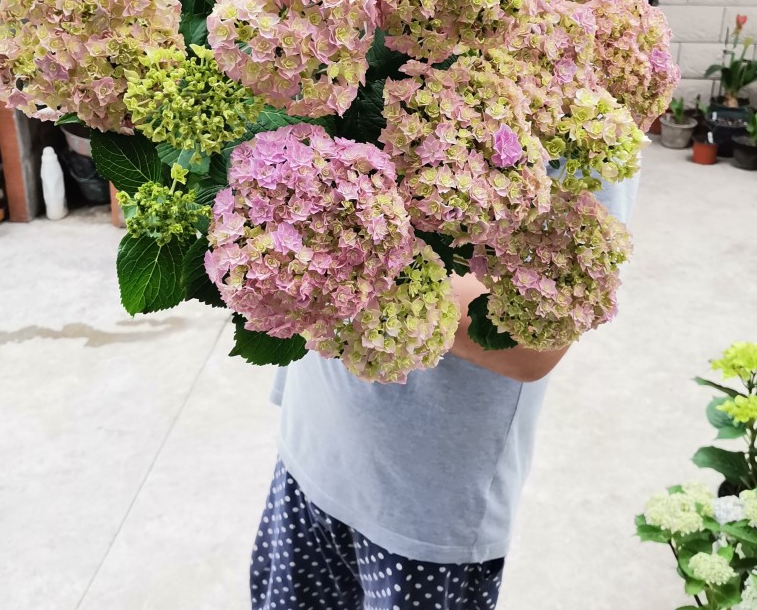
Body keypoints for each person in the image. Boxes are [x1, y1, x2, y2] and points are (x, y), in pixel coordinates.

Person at [249, 176, 638, 609]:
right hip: (311, 444)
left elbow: (538, 340)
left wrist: (349, 259)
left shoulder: (607, 119)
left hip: (423, 509)